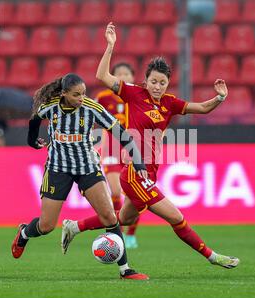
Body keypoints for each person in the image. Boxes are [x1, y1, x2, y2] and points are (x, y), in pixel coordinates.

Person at [61, 23, 239, 269]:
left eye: (162, 82)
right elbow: (102, 76)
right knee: (176, 217)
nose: (158, 86)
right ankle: (212, 257)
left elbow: (203, 108)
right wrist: (110, 46)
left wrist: (219, 97)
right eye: (154, 81)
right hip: (135, 171)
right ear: (145, 81)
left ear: (167, 83)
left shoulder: (170, 103)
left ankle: (74, 226)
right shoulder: (134, 94)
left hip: (151, 171)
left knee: (120, 218)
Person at [11, 73, 149, 280]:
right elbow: (34, 120)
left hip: (87, 167)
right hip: (58, 168)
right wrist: (32, 141)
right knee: (46, 226)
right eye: (76, 95)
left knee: (110, 216)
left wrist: (138, 161)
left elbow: (122, 133)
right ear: (64, 93)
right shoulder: (51, 107)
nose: (81, 98)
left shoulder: (92, 109)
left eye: (84, 93)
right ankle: (24, 233)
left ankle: (125, 269)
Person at [96, 62, 140, 249]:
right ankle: (116, 231)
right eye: (118, 73)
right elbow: (91, 117)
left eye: (126, 73)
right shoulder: (104, 97)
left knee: (136, 195)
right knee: (114, 191)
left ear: (133, 77)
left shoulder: (139, 96)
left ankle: (131, 235)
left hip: (134, 148)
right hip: (111, 148)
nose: (122, 76)